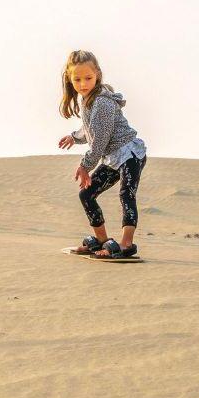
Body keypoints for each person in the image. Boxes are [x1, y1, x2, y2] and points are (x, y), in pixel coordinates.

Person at [58, 50, 147, 259]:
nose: (83, 84)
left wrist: (85, 165)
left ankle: (126, 245)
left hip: (129, 153)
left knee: (126, 194)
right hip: (112, 158)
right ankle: (101, 240)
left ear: (97, 74)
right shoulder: (87, 100)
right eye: (77, 79)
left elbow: (99, 141)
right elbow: (90, 129)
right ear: (70, 79)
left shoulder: (102, 102)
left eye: (88, 78)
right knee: (86, 194)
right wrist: (74, 137)